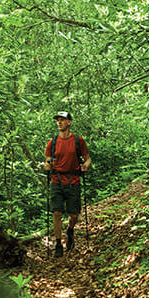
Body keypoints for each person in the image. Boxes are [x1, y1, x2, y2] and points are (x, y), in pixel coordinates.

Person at [45, 110, 91, 257]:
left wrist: (86, 165)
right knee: (57, 212)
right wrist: (47, 165)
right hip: (57, 181)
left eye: (62, 120)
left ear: (69, 122)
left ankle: (70, 230)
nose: (59, 122)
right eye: (57, 120)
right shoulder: (52, 142)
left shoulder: (78, 140)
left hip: (73, 180)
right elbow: (47, 160)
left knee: (74, 214)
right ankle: (58, 243)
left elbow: (88, 158)